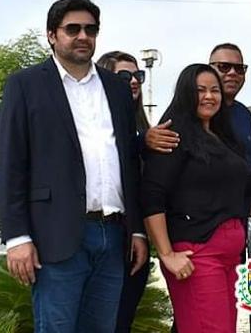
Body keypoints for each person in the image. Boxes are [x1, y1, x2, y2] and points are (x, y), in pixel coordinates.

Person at [0, 0, 148, 333]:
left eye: (90, 29)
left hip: (113, 236)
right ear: (52, 35)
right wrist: (17, 237)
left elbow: (127, 162)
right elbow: (10, 165)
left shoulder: (116, 90)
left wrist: (136, 229)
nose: (83, 36)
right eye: (73, 29)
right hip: (57, 237)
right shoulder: (26, 85)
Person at [141, 64, 251, 333]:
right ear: (186, 94)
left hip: (229, 257)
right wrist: (167, 254)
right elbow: (152, 195)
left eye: (214, 90)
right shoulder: (172, 135)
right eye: (200, 91)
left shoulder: (222, 139)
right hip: (196, 255)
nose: (209, 96)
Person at [97, 51, 153, 333]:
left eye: (138, 76)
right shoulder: (97, 128)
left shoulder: (146, 128)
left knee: (121, 323)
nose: (133, 81)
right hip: (102, 237)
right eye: (124, 75)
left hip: (137, 244)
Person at [205, 43, 251, 220]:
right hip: (201, 228)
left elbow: (250, 164)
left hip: (237, 223)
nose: (232, 73)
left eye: (239, 68)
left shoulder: (244, 115)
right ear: (208, 70)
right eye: (224, 67)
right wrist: (147, 138)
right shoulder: (192, 112)